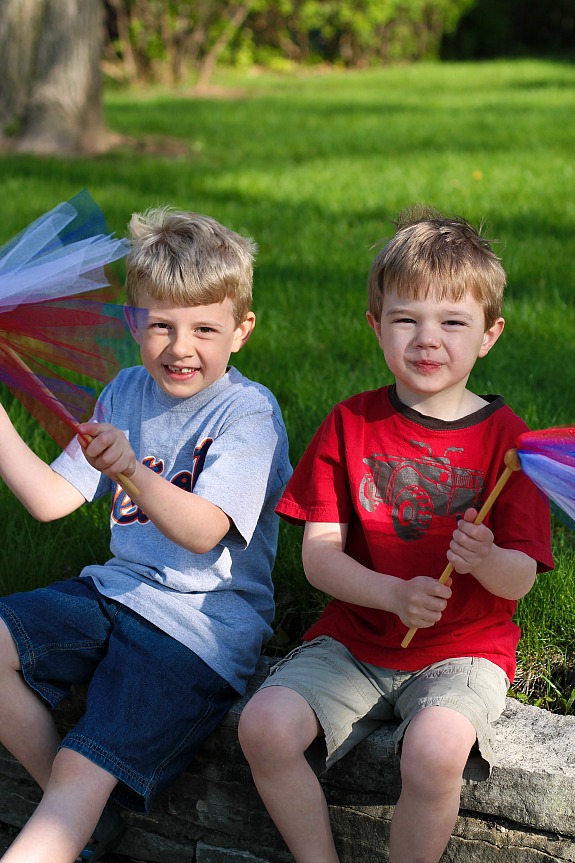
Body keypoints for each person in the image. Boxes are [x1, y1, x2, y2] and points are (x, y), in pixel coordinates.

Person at [239, 206, 554, 863]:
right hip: (353, 638)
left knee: (435, 751)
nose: (426, 338)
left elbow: (519, 577)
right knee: (264, 727)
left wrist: (486, 556)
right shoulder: (348, 423)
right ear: (375, 326)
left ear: (489, 334)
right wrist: (390, 593)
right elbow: (319, 556)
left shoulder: (510, 446)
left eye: (451, 322)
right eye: (405, 318)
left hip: (462, 649)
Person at [0, 207, 291, 863]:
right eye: (160, 323)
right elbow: (51, 500)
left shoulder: (248, 412)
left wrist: (130, 469)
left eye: (203, 328)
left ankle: (68, 810)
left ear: (241, 330)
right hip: (114, 593)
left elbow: (203, 529)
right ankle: (79, 816)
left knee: (83, 762)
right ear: (134, 322)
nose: (179, 346)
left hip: (197, 628)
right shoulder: (127, 388)